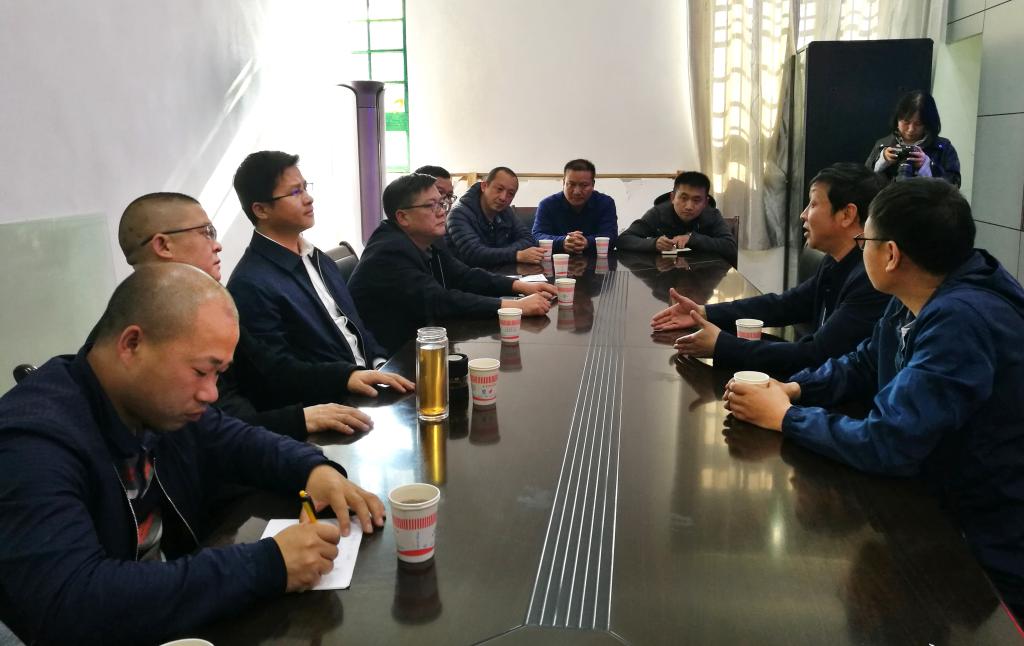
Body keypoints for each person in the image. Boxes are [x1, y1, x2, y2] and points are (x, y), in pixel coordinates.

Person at [0, 264, 386, 645]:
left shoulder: (153, 402)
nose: (211, 393)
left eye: (219, 374)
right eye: (202, 371)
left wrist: (314, 470)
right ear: (131, 345)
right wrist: (268, 564)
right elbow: (70, 606)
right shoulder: (31, 445)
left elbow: (238, 440)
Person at [724, 178, 1024, 619]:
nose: (860, 249)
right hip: (938, 502)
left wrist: (786, 418)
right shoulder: (919, 290)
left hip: (983, 545)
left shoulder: (961, 320)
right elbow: (865, 361)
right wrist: (796, 389)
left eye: (864, 240)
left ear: (892, 254)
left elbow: (889, 442)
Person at [117, 192, 412, 439]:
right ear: (163, 245)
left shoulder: (206, 305)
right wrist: (297, 420)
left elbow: (272, 367)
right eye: (206, 232)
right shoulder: (150, 330)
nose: (217, 245)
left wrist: (346, 376)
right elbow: (212, 431)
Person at [652, 164, 889, 376]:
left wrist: (722, 345)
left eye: (813, 204)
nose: (803, 214)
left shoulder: (871, 279)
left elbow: (817, 355)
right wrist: (703, 312)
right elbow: (784, 305)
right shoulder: (835, 260)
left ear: (847, 214)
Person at [349, 173, 557, 353]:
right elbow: (440, 301)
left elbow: (464, 276)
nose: (442, 211)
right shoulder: (389, 251)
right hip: (387, 355)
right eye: (431, 206)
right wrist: (515, 306)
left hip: (423, 339)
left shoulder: (428, 238)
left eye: (442, 203)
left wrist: (521, 286)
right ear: (403, 217)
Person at [227, 151, 388, 376]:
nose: (308, 198)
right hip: (334, 393)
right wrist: (348, 378)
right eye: (295, 192)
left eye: (305, 187)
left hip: (370, 378)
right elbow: (276, 371)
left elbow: (355, 326)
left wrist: (380, 362)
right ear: (261, 210)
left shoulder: (318, 258)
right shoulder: (250, 283)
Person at [617, 171, 737, 265]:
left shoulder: (712, 215)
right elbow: (624, 240)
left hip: (703, 275)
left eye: (696, 200)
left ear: (705, 202)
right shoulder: (658, 213)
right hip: (664, 273)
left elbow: (730, 247)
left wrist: (693, 239)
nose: (689, 206)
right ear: (673, 197)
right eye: (683, 198)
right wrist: (654, 244)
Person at [445, 166, 544, 267]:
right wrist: (516, 255)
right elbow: (475, 254)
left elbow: (528, 239)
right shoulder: (458, 214)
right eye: (499, 189)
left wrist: (499, 254)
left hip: (500, 272)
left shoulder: (506, 212)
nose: (503, 198)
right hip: (466, 275)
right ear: (484, 186)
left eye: (510, 194)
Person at [865, 90, 961, 187]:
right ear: (897, 119)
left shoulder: (944, 148)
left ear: (927, 124)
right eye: (906, 122)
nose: (911, 129)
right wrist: (882, 160)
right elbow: (864, 181)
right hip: (888, 197)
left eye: (918, 124)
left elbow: (954, 186)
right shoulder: (883, 144)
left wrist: (926, 166)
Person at [532, 159, 618, 254]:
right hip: (557, 260)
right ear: (563, 183)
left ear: (593, 184)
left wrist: (587, 242)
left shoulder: (605, 203)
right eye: (571, 184)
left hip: (596, 260)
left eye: (584, 185)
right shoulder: (547, 204)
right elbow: (536, 236)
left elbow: (611, 237)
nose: (577, 191)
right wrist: (562, 242)